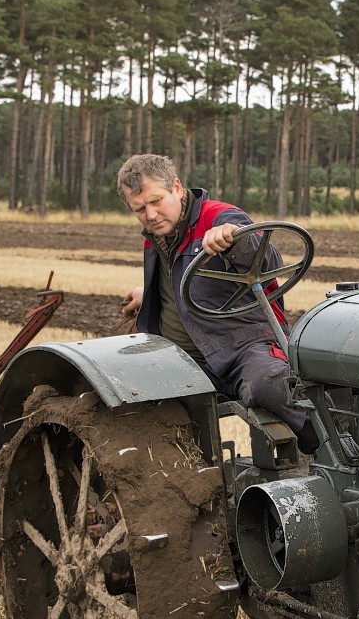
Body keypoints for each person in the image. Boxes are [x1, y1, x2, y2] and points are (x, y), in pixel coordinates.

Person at [117, 153, 319, 454]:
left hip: (242, 347)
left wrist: (234, 240)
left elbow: (266, 258)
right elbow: (186, 281)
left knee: (269, 384)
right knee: (124, 386)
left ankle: (325, 447)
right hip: (188, 358)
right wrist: (149, 294)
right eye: (140, 209)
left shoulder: (220, 217)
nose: (150, 214)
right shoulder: (157, 236)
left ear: (176, 187)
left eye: (156, 201)